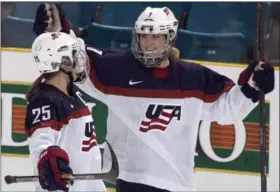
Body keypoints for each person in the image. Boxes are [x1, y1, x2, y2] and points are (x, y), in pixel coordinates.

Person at [32, 4, 275, 192]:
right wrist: (59, 30)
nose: (148, 43)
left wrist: (253, 86)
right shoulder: (117, 69)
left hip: (177, 183)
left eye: (155, 36)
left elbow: (228, 109)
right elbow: (78, 58)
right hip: (130, 178)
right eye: (143, 36)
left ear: (170, 38)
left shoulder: (193, 78)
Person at [25, 32, 106, 192]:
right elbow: (41, 143)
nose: (79, 60)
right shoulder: (43, 100)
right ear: (64, 61)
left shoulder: (73, 92)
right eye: (74, 54)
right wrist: (47, 158)